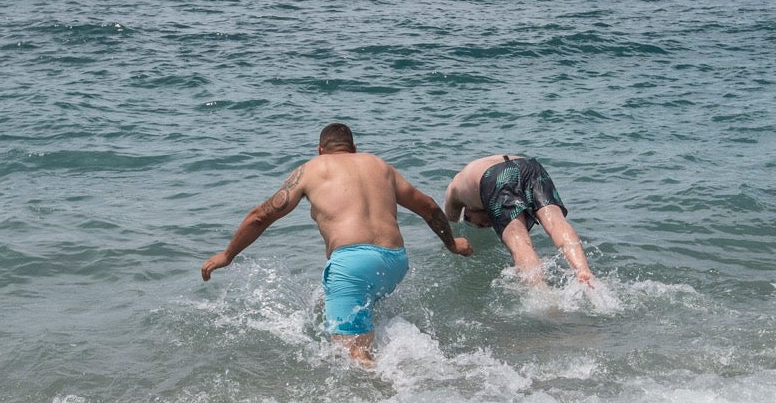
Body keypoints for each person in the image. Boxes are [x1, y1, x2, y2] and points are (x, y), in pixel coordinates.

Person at [201, 123, 472, 364]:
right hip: (395, 262)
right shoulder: (379, 165)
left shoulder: (311, 169)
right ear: (354, 148)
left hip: (352, 264)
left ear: (320, 150)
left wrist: (228, 254)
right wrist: (452, 244)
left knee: (351, 356)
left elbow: (261, 216)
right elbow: (428, 206)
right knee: (359, 316)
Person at [444, 154, 594, 286]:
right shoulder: (470, 179)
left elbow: (449, 226)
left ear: (468, 211)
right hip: (529, 165)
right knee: (556, 222)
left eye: (481, 223)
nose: (486, 224)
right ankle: (585, 272)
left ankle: (542, 294)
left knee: (520, 243)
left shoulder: (453, 192)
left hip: (495, 176)